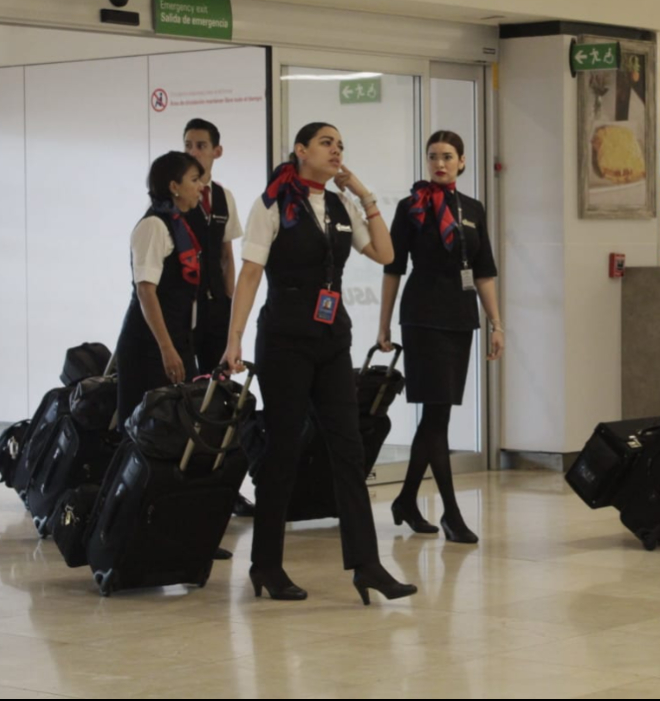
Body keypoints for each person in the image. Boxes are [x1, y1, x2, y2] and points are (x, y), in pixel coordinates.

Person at [222, 122, 417, 605]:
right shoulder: (273, 203)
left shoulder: (338, 204)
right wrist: (234, 340)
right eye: (327, 143)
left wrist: (365, 194)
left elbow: (387, 253)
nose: (336, 151)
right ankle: (266, 563)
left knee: (348, 450)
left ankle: (367, 565)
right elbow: (249, 275)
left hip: (332, 337)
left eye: (341, 145)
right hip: (284, 339)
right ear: (301, 150)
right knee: (283, 452)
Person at [377, 130, 502, 544]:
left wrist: (497, 323)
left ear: (462, 162)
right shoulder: (410, 208)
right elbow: (392, 268)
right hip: (423, 315)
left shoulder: (473, 208)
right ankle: (450, 512)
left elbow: (483, 271)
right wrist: (383, 323)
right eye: (433, 157)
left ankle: (407, 500)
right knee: (436, 417)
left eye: (448, 157)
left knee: (438, 415)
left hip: (460, 315)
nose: (440, 164)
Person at [182, 118, 254, 520]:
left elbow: (228, 257)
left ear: (216, 151)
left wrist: (231, 315)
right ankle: (187, 483)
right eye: (189, 145)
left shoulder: (223, 198)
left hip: (215, 309)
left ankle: (225, 488)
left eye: (201, 145)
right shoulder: (172, 196)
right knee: (189, 397)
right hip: (183, 311)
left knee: (222, 397)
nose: (194, 152)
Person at [114, 151, 205, 429]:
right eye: (194, 179)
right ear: (174, 186)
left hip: (176, 339)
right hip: (149, 346)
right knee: (145, 431)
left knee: (180, 426)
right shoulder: (154, 226)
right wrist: (166, 348)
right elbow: (145, 291)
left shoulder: (178, 223)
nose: (201, 186)